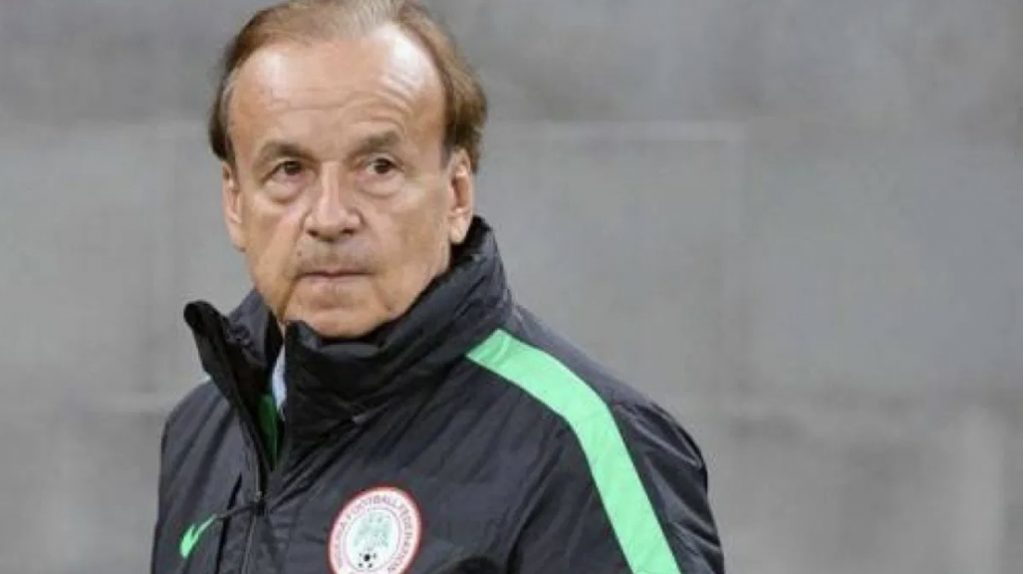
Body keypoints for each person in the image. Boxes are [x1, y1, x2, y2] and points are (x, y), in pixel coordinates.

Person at [150, 1, 724, 572]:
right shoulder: (203, 433)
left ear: (457, 194)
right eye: (289, 170)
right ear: (235, 202)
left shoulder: (583, 443)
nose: (330, 217)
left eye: (379, 166)